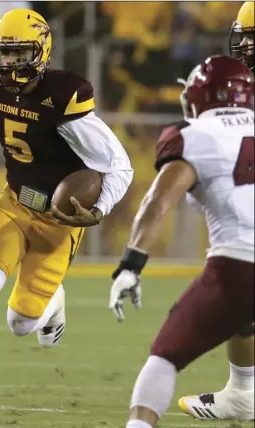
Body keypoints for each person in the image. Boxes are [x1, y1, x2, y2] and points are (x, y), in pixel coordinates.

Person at [0, 9, 133, 424]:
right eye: (2, 55)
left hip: (58, 218)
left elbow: (119, 166)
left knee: (21, 325)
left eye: (18, 54)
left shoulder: (65, 96)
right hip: (13, 204)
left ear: (41, 51)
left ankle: (50, 301)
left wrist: (99, 208)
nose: (7, 64)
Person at [109, 55, 254, 428]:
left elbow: (158, 203)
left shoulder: (196, 136)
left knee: (164, 357)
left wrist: (131, 264)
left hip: (239, 265)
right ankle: (242, 395)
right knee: (244, 322)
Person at [178, 2, 255, 420]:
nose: (245, 44)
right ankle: (241, 391)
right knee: (240, 303)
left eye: (253, 37)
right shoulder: (240, 85)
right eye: (242, 35)